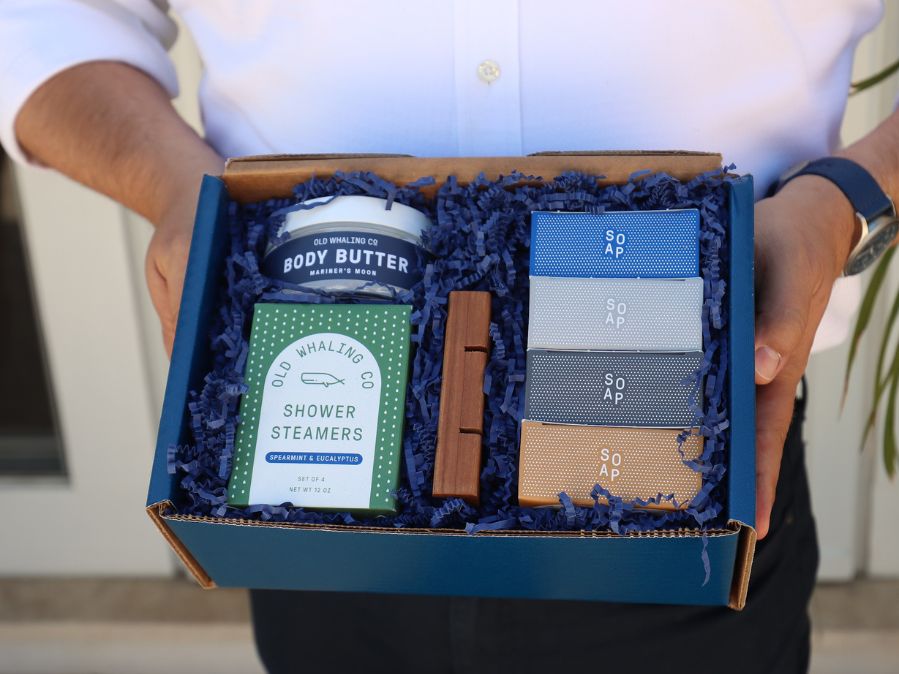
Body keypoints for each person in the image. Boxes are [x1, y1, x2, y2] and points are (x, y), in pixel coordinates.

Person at [2, 2, 897, 672]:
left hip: (689, 492)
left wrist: (849, 194)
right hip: (316, 529)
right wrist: (175, 189)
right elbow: (44, 23)